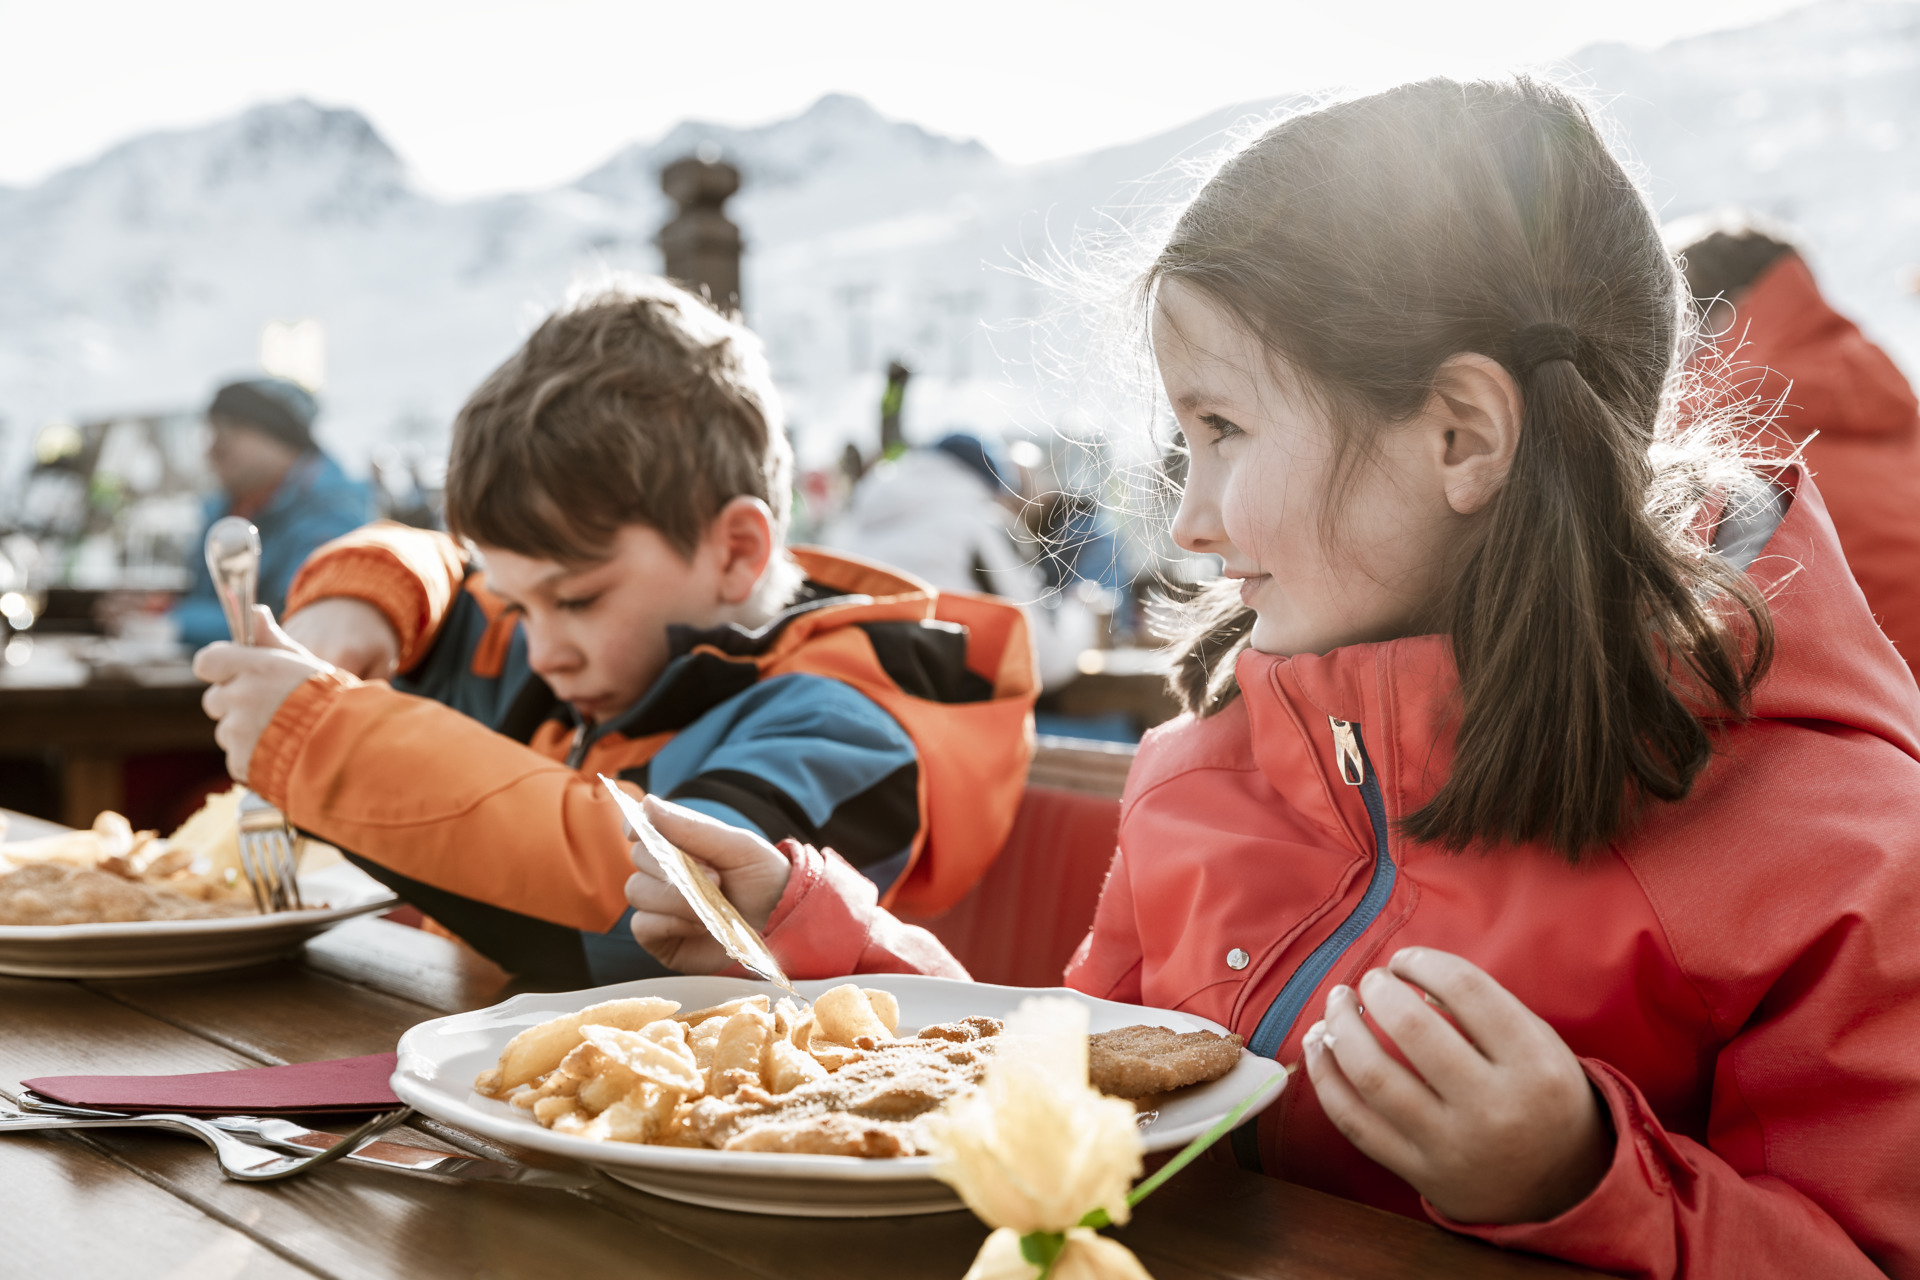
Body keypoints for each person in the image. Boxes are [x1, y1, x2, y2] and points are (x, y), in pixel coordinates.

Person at [617, 81, 1920, 1276]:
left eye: (1224, 430)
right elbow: (1081, 1094)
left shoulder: (1831, 853)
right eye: (1184, 444)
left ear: (1461, 436)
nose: (1187, 522)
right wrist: (808, 943)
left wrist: (1583, 1176)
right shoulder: (1217, 754)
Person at [192, 279, 1038, 985]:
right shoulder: (566, 646)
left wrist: (323, 742)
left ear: (737, 551)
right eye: (519, 605)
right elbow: (441, 572)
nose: (541, 646)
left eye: (580, 600)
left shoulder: (841, 727)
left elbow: (641, 918)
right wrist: (362, 597)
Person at [1670, 213, 1920, 674]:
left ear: (1719, 319)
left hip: (1887, 719)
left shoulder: (1716, 428)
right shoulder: (1883, 387)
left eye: (1674, 329)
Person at [823, 431, 1096, 690]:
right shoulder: (977, 525)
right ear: (995, 486)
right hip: (936, 714)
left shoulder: (851, 524)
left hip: (847, 688)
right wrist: (1081, 615)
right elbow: (1043, 658)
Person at [171, 377, 372, 648]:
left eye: (227, 435)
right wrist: (164, 609)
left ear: (280, 439)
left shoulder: (333, 514)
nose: (212, 451)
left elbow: (293, 621)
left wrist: (175, 622)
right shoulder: (230, 506)